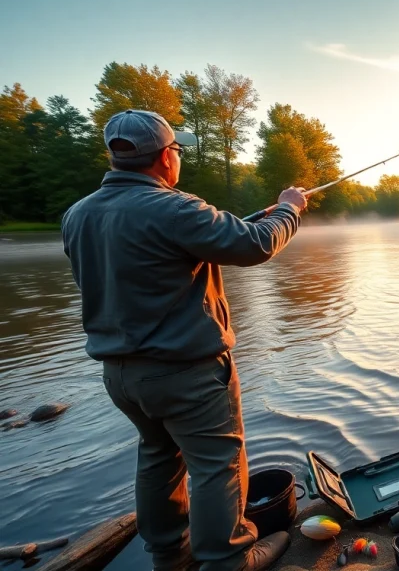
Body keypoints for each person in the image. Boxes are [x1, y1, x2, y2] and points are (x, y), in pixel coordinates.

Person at [62, 109, 307, 571]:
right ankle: (228, 560)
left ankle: (170, 557)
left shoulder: (77, 215)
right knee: (218, 465)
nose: (178, 157)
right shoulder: (174, 208)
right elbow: (255, 246)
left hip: (121, 376)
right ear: (162, 158)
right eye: (176, 149)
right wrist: (289, 208)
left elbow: (143, 263)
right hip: (187, 374)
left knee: (158, 456)